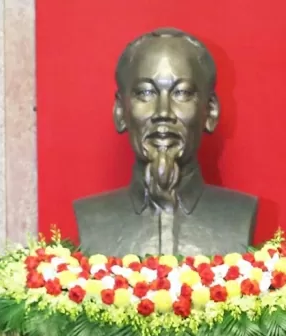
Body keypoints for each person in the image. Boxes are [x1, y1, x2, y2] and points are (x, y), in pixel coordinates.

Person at [73, 27, 258, 257]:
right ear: (120, 111)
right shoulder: (92, 217)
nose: (163, 112)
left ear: (210, 111)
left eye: (181, 93)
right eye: (145, 93)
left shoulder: (239, 215)